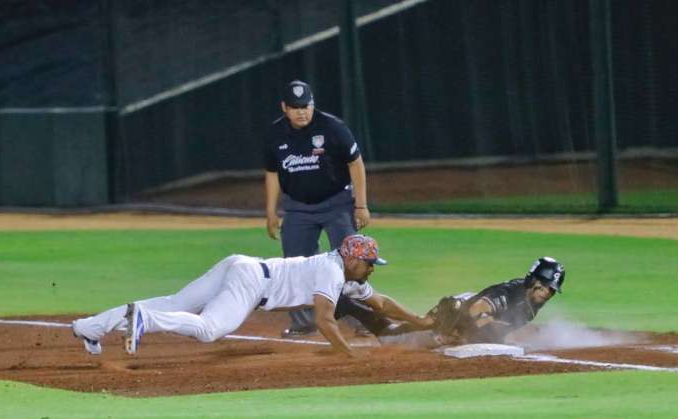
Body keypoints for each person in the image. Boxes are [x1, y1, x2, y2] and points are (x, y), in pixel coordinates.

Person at [71, 235, 433, 357]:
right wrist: (349, 355)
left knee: (174, 303)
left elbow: (380, 303)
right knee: (210, 329)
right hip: (251, 283)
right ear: (353, 258)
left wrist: (421, 320)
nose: (372, 268)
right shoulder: (331, 270)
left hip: (242, 265)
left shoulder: (344, 271)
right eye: (369, 263)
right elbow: (325, 320)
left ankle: (89, 326)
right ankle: (145, 320)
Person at [264, 80, 371, 337]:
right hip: (298, 208)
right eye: (295, 107)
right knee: (294, 266)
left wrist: (361, 205)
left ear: (313, 105)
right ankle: (304, 323)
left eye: (306, 106)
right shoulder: (275, 134)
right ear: (284, 108)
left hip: (337, 204)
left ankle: (364, 322)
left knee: (353, 263)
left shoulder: (333, 127)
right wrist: (270, 212)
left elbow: (356, 164)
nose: (302, 111)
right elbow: (272, 173)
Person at [339, 257, 566, 347]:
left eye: (551, 290)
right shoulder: (512, 292)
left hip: (459, 325)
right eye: (544, 286)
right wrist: (492, 336)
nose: (547, 293)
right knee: (390, 336)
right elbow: (478, 310)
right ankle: (349, 306)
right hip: (451, 317)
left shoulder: (531, 306)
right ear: (533, 280)